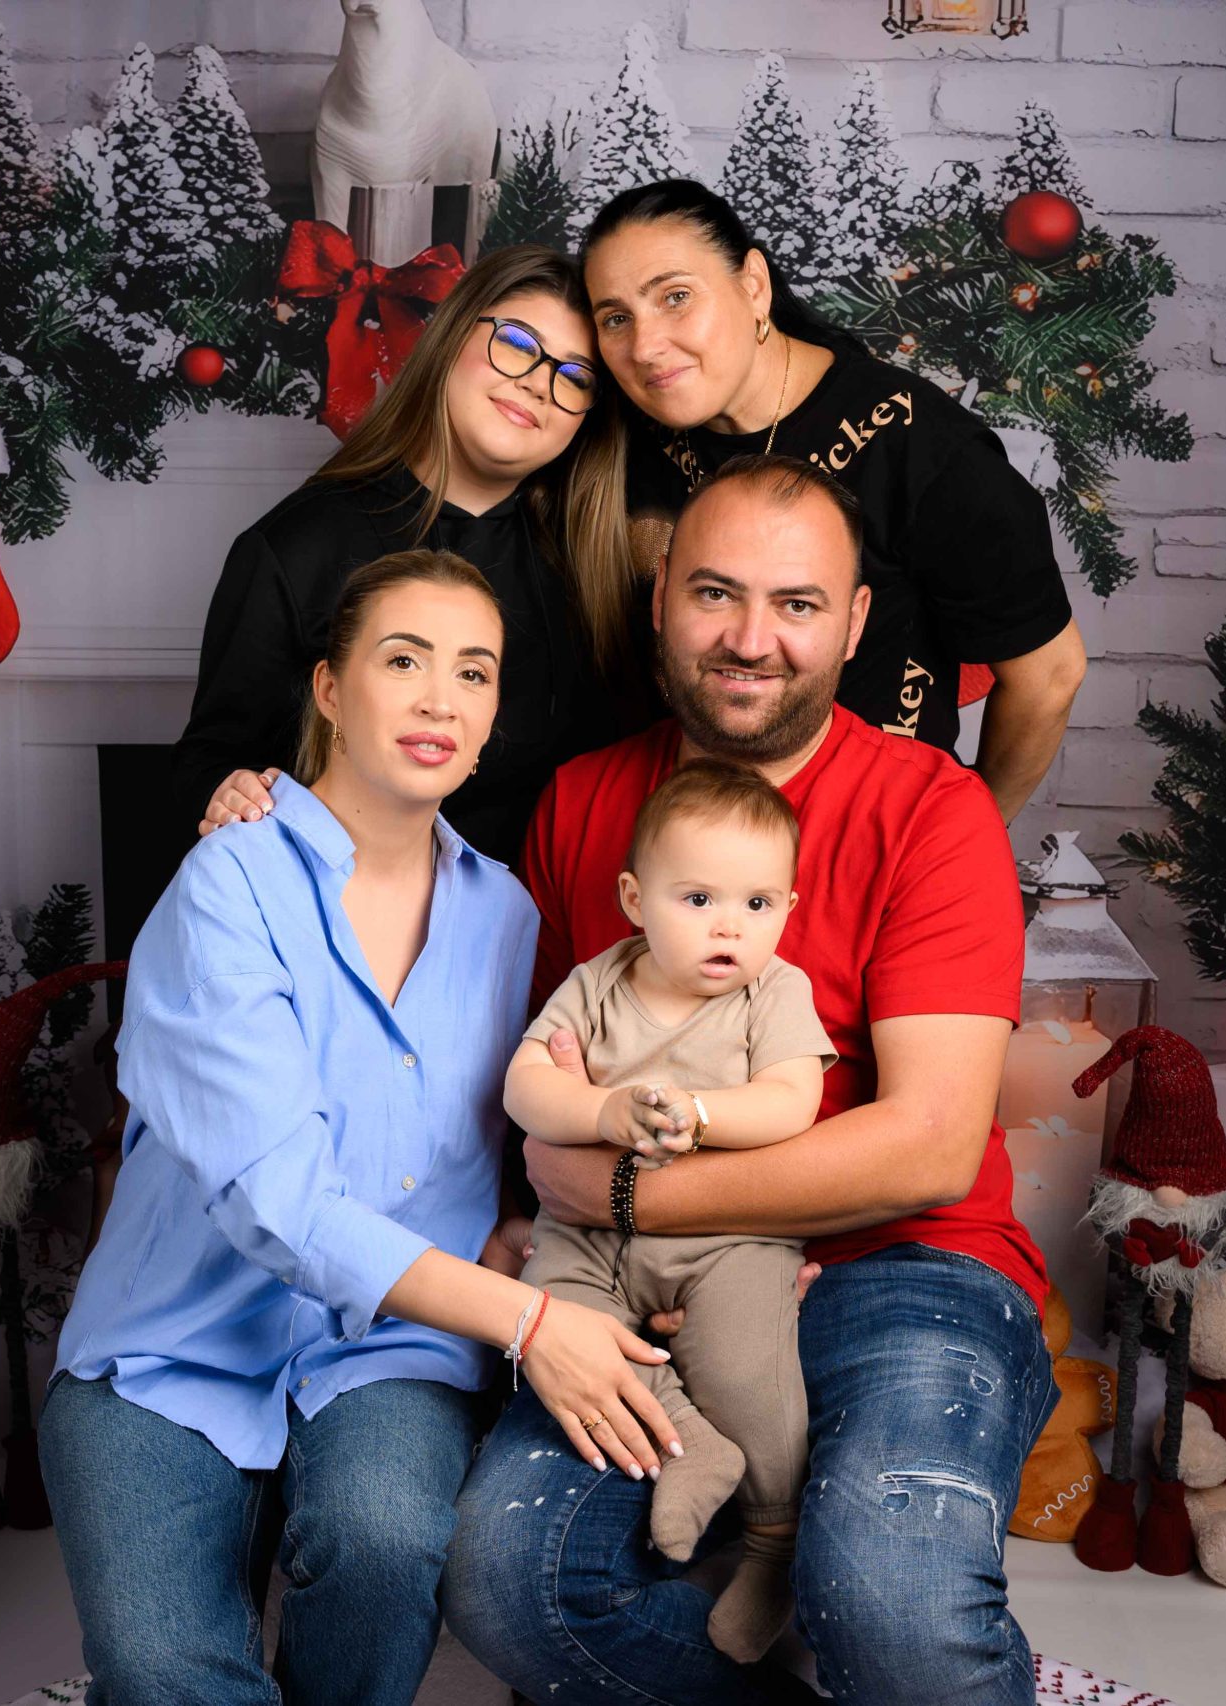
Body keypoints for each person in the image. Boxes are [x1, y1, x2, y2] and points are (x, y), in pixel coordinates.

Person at [445, 457, 1055, 1705]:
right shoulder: (584, 799)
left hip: (908, 1264)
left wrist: (628, 1196)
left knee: (894, 1606)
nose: (749, 638)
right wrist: (554, 1229)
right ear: (661, 596)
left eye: (796, 603)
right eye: (714, 592)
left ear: (855, 622)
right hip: (640, 1283)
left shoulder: (929, 810)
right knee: (510, 1581)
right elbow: (548, 1069)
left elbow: (929, 1144)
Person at [42, 551, 684, 1706]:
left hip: (393, 1347)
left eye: (474, 671)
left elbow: (531, 1135)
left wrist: (610, 1255)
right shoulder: (225, 883)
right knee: (156, 1665)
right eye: (404, 660)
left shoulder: (510, 914)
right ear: (331, 688)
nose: (441, 698)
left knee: (388, 1537)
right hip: (169, 1342)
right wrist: (531, 1319)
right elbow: (279, 1204)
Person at [580, 178, 1089, 823]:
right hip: (671, 838)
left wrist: (963, 840)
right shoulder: (616, 439)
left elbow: (1049, 675)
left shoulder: (920, 445)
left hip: (868, 832)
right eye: (615, 318)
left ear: (753, 285)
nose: (645, 346)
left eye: (676, 297)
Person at [503, 758, 836, 1662]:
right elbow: (526, 1086)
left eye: (758, 904)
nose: (731, 926)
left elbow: (792, 1101)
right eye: (698, 899)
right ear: (634, 900)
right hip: (586, 1236)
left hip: (729, 1240)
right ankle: (689, 1441)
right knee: (557, 1328)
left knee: (747, 1368)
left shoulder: (775, 993)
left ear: (788, 909)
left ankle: (772, 1539)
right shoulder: (596, 983)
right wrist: (602, 1112)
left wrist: (700, 1116)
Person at [175, 243, 643, 866]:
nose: (537, 383)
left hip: (540, 918)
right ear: (451, 337)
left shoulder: (592, 570)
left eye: (576, 377)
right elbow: (209, 762)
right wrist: (229, 791)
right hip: (339, 910)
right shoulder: (296, 545)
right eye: (517, 343)